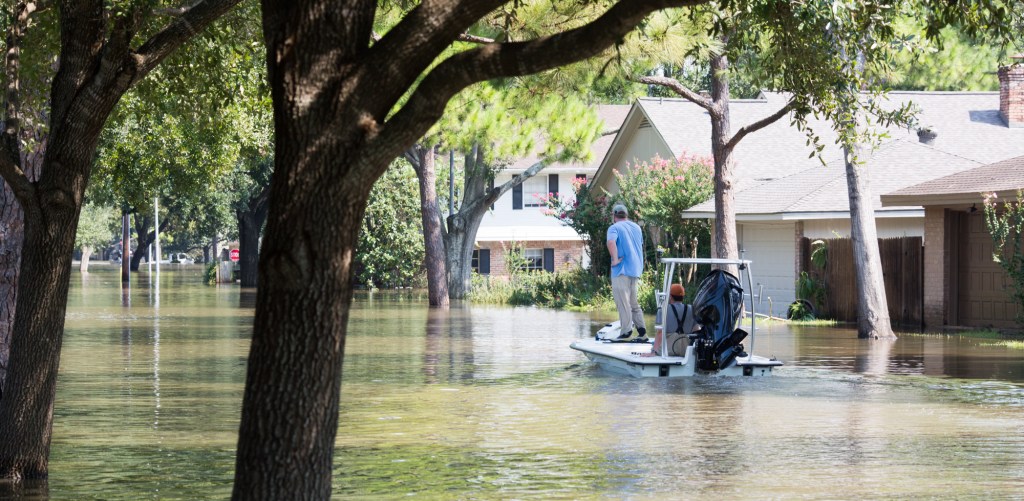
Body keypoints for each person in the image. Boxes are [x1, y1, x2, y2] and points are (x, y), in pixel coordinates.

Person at [606, 203, 646, 341]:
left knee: (623, 303)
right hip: (635, 270)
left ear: (614, 216)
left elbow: (611, 243)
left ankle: (626, 332)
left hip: (621, 270)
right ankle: (642, 332)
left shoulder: (614, 227)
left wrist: (615, 260)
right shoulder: (636, 227)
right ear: (626, 215)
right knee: (634, 303)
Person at [643, 283, 699, 357]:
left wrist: (653, 351)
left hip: (669, 349)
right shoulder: (692, 309)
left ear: (670, 296)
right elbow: (697, 329)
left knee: (654, 343)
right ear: (683, 296)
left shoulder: (663, 309)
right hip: (685, 350)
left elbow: (660, 332)